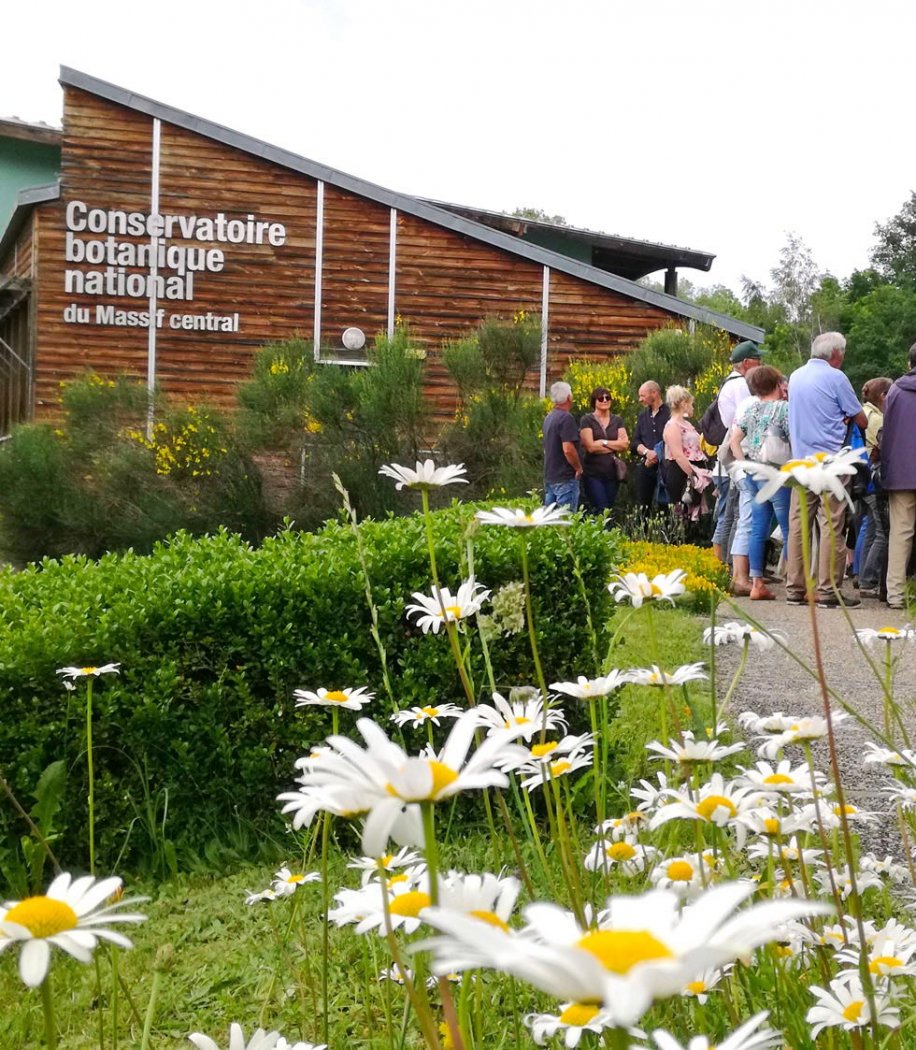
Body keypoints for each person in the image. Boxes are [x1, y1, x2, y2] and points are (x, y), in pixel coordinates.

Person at [785, 332, 867, 608]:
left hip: (800, 461)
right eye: (842, 352)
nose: (843, 357)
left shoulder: (795, 376)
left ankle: (794, 588)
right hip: (831, 461)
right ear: (835, 354)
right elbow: (862, 420)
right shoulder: (836, 377)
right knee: (832, 523)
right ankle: (828, 591)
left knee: (799, 524)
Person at [728, 365, 790, 601]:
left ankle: (756, 584)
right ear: (777, 383)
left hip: (754, 474)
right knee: (788, 529)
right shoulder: (783, 409)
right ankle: (798, 582)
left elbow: (735, 441)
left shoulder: (751, 408)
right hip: (776, 475)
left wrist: (745, 465)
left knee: (758, 528)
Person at [710, 341, 764, 565]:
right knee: (737, 516)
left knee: (730, 515)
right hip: (739, 454)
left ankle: (724, 565)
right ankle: (731, 567)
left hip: (730, 456)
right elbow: (748, 419)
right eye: (757, 360)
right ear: (746, 363)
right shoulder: (741, 385)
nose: (760, 364)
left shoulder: (727, 384)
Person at [880, 344, 916, 610]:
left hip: (902, 471)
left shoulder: (894, 391)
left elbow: (887, 431)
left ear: (909, 364)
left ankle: (895, 594)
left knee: (900, 533)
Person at [857, 377, 893, 599]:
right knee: (881, 532)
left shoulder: (864, 413)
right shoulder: (878, 419)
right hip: (874, 480)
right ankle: (869, 579)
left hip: (864, 479)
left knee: (869, 530)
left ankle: (862, 576)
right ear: (883, 396)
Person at [579, 386, 629, 513]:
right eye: (601, 398)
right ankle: (600, 532)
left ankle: (604, 532)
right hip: (593, 473)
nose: (605, 400)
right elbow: (590, 447)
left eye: (608, 398)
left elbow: (624, 444)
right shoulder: (587, 420)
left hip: (612, 473)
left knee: (608, 509)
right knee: (601, 507)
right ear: (594, 402)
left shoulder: (617, 420)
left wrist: (603, 442)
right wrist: (614, 446)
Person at [662, 386, 706, 506]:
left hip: (694, 470)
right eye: (691, 404)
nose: (692, 407)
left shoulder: (687, 424)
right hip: (681, 473)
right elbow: (678, 455)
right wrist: (694, 476)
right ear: (683, 404)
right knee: (683, 512)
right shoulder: (673, 426)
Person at [542, 380, 582, 511]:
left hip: (550, 476)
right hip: (565, 477)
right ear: (569, 398)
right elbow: (568, 449)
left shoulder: (549, 417)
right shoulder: (566, 418)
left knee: (550, 521)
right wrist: (578, 468)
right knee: (566, 521)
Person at [630, 381, 670, 511]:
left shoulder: (670, 414)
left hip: (666, 467)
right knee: (643, 506)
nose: (640, 399)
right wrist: (647, 453)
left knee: (666, 506)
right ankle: (644, 531)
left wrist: (657, 455)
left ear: (655, 393)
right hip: (646, 466)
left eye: (643, 395)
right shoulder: (643, 416)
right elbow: (635, 442)